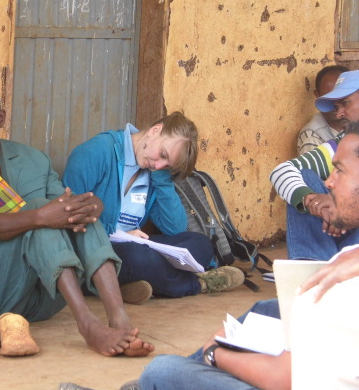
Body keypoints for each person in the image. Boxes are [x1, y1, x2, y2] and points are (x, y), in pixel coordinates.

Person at [0, 72, 154, 358]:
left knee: (77, 214)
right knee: (42, 215)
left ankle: (119, 319)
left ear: (1, 117)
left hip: (37, 298)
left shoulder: (33, 158)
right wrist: (40, 217)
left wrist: (94, 205)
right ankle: (88, 325)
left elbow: (66, 206)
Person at [136, 122, 359, 390]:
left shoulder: (349, 279)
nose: (329, 181)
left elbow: (282, 378)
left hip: (300, 379)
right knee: (265, 311)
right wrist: (311, 198)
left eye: (341, 171)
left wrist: (215, 353)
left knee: (163, 370)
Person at [62, 113, 244, 301]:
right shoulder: (96, 152)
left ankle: (128, 285)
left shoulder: (153, 170)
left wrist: (162, 178)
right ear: (155, 131)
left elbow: (175, 228)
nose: (158, 165)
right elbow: (69, 218)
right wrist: (117, 236)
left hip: (134, 247)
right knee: (139, 257)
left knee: (200, 244)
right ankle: (198, 284)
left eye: (167, 165)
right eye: (163, 155)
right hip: (95, 250)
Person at [270, 69, 359, 260]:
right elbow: (281, 171)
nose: (340, 113)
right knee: (304, 176)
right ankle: (312, 268)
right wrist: (309, 199)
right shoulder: (344, 143)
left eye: (345, 103)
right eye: (336, 106)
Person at [296, 65, 347, 155]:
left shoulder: (351, 123)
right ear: (318, 95)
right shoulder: (312, 137)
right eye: (329, 97)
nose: (336, 103)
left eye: (342, 96)